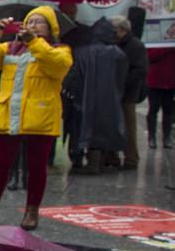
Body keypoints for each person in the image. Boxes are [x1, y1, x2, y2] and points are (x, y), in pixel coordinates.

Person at [0, 7, 72, 230]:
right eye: (30, 21)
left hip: (40, 116)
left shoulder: (60, 49)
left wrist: (34, 42)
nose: (34, 25)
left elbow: (57, 66)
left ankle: (32, 212)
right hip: (10, 114)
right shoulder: (9, 48)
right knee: (0, 164)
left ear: (50, 28)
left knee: (37, 166)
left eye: (39, 22)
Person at [64, 18, 127, 175]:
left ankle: (77, 159)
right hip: (109, 100)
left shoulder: (80, 52)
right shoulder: (118, 54)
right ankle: (98, 162)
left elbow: (73, 76)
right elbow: (122, 78)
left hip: (82, 99)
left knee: (78, 129)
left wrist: (71, 93)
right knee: (104, 130)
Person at [111, 15, 148, 170]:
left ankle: (131, 158)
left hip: (128, 93)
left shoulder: (136, 46)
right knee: (112, 125)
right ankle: (111, 156)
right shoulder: (114, 43)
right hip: (113, 92)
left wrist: (122, 82)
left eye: (114, 30)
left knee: (128, 127)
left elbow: (141, 70)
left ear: (122, 30)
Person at [147, 46, 175, 149]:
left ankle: (167, 138)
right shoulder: (155, 42)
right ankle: (151, 137)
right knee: (153, 110)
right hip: (155, 82)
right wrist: (165, 48)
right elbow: (150, 56)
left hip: (171, 82)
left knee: (168, 111)